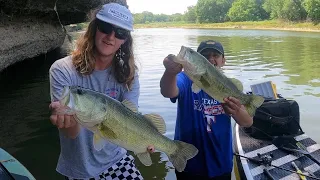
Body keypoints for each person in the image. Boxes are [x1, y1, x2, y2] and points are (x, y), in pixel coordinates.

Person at [48, 2, 144, 180]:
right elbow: (71, 134)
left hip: (117, 160)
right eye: (106, 27)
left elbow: (132, 116)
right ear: (94, 28)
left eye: (120, 32)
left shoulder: (129, 75)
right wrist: (65, 120)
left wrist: (145, 142)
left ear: (125, 40)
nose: (111, 36)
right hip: (78, 170)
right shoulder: (62, 70)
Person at [160, 40, 253, 180]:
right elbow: (168, 92)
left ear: (223, 61)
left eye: (215, 55)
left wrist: (236, 111)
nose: (211, 59)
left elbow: (247, 122)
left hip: (221, 162)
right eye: (205, 56)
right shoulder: (185, 79)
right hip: (189, 162)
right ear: (199, 61)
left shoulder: (229, 86)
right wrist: (169, 73)